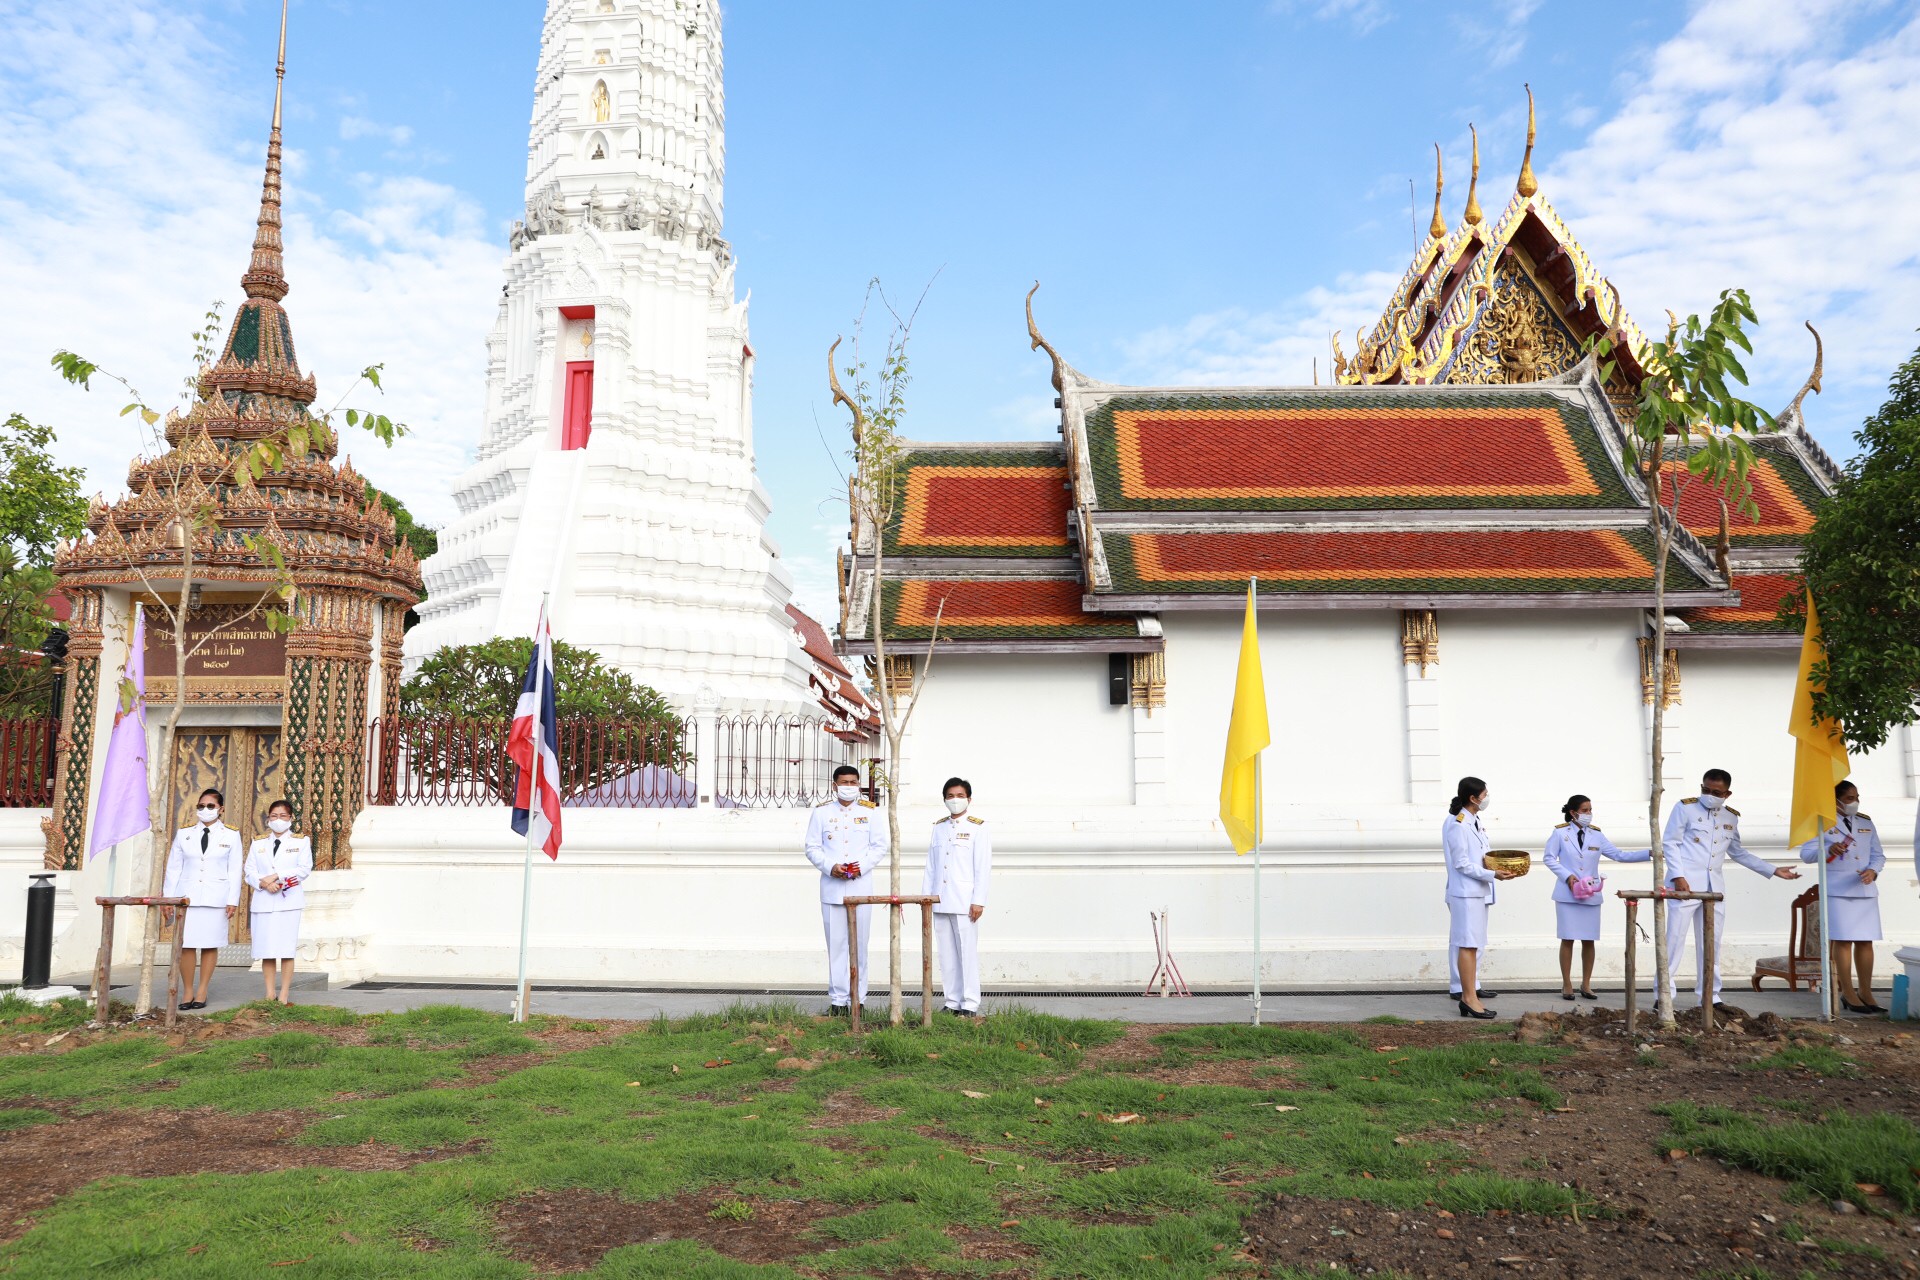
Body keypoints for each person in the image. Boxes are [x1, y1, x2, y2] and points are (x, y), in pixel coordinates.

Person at [1663, 768, 1800, 1012]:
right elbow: (1670, 843)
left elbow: (1737, 852)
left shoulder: (1731, 817)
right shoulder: (1685, 808)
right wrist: (1678, 875)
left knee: (1711, 943)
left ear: (1727, 793)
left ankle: (1710, 996)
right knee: (1674, 940)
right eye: (1705, 789)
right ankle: (1663, 994)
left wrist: (1772, 870)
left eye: (1716, 792)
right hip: (1683, 885)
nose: (1709, 795)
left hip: (1714, 887)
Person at [1542, 794, 1649, 1001]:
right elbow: (1548, 858)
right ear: (1573, 813)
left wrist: (1649, 853)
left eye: (1590, 810)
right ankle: (1566, 984)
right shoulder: (1560, 833)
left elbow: (1619, 855)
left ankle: (1587, 983)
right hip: (1567, 894)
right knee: (1567, 939)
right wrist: (1567, 876)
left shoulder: (1596, 835)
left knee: (1589, 940)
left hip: (1590, 893)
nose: (1589, 814)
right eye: (1584, 810)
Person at [803, 764, 885, 1015]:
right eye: (844, 782)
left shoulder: (870, 813)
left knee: (859, 946)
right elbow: (812, 847)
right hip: (832, 889)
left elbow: (879, 847)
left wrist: (859, 867)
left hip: (860, 887)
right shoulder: (821, 813)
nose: (849, 787)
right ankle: (838, 1001)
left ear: (858, 785)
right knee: (836, 947)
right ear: (834, 785)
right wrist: (830, 866)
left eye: (853, 782)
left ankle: (858, 1000)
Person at [1799, 779, 1887, 1013]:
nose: (1855, 802)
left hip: (1864, 888)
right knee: (1843, 940)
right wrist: (1828, 849)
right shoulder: (1821, 822)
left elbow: (1878, 855)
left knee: (1866, 941)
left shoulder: (1865, 822)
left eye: (1857, 797)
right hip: (1838, 890)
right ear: (1834, 800)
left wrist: (1873, 871)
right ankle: (1847, 992)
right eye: (1849, 798)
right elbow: (1806, 854)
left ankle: (1866, 992)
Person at [161, 788, 243, 1010]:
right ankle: (187, 990)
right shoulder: (184, 833)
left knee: (209, 944)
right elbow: (173, 868)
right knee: (185, 945)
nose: (204, 810)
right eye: (200, 806)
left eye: (210, 806)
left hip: (216, 897)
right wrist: (168, 899)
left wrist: (233, 900)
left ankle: (202, 990)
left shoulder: (231, 835)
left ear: (221, 809)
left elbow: (235, 870)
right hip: (186, 897)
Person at [1443, 776, 1517, 1019]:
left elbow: (1481, 855)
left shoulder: (1474, 821)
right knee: (1467, 945)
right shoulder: (1458, 823)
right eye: (1484, 795)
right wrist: (1492, 873)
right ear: (1473, 798)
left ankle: (1471, 996)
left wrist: (1499, 866)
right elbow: (1462, 863)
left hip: (1476, 892)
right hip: (1465, 893)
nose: (1487, 799)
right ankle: (1467, 998)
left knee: (1474, 945)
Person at [923, 777, 991, 1018]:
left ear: (969, 799)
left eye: (960, 796)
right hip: (940, 900)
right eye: (950, 796)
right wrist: (926, 898)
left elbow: (982, 867)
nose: (955, 800)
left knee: (966, 953)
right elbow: (931, 867)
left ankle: (970, 1003)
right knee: (946, 954)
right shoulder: (939, 827)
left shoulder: (977, 828)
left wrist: (978, 900)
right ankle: (952, 1001)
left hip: (965, 901)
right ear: (944, 799)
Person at [245, 798, 313, 1005]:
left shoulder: (301, 842)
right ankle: (269, 993)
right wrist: (264, 884)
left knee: (285, 949)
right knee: (266, 950)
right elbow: (249, 871)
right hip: (264, 900)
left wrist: (277, 877)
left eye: (283, 816)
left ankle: (283, 993)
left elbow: (303, 870)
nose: (278, 820)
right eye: (274, 816)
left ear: (291, 818)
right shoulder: (258, 844)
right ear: (268, 819)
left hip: (288, 902)